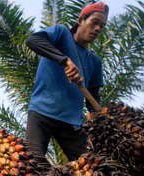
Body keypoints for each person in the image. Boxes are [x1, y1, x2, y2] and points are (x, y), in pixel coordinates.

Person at [25, 1, 109, 161]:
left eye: (102, 26)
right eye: (94, 22)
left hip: (72, 123)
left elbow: (93, 99)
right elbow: (33, 41)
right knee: (32, 165)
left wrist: (101, 118)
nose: (98, 29)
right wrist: (65, 61)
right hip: (41, 113)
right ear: (81, 21)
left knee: (92, 170)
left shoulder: (95, 62)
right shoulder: (61, 33)